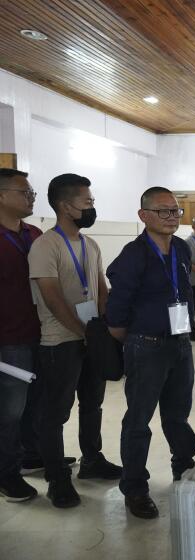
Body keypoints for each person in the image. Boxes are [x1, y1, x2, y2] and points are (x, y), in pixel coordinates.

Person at [28, 173, 122, 509]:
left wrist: (104, 328)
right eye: (87, 202)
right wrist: (86, 333)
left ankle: (92, 460)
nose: (92, 206)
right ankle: (57, 478)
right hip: (60, 342)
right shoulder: (45, 245)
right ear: (66, 206)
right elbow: (52, 298)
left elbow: (100, 290)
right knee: (56, 413)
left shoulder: (90, 244)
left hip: (91, 339)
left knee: (93, 404)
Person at [106, 186, 195, 519]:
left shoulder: (182, 250)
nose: (171, 216)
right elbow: (116, 311)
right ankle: (135, 488)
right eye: (163, 211)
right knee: (138, 420)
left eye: (175, 211)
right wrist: (136, 339)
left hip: (180, 344)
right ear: (143, 215)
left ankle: (185, 471)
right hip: (146, 346)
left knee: (178, 416)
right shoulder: (134, 254)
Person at [0, 168, 43, 502]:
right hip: (7, 336)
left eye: (31, 193)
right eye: (23, 192)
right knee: (10, 410)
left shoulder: (34, 233)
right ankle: (6, 474)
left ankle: (29, 455)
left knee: (34, 404)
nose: (30, 197)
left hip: (39, 331)